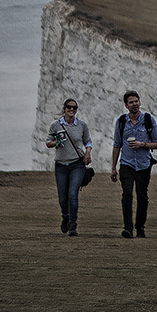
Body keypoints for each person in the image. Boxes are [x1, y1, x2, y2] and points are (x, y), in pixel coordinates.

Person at [110, 90, 157, 239]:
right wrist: (113, 168)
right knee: (127, 193)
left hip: (143, 164)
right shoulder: (121, 122)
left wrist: (142, 144)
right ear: (126, 105)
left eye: (136, 101)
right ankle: (128, 227)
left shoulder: (148, 120)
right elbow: (116, 145)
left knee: (142, 196)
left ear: (140, 102)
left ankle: (140, 227)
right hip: (126, 164)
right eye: (131, 102)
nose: (135, 104)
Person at [46, 99, 92, 235]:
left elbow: (87, 140)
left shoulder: (82, 125)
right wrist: (56, 142)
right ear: (64, 108)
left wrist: (88, 153)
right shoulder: (56, 125)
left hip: (77, 163)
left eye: (74, 108)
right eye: (69, 107)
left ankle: (73, 224)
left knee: (73, 193)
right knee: (62, 197)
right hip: (61, 164)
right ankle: (65, 216)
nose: (71, 110)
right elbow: (48, 142)